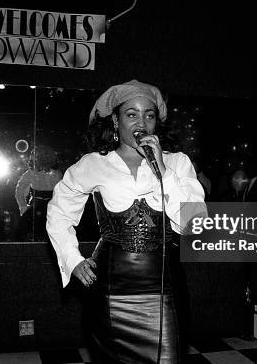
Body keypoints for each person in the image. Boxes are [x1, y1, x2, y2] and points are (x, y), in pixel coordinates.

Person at [46, 80, 206, 363]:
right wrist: (73, 259)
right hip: (110, 292)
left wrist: (164, 170)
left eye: (149, 114)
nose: (141, 121)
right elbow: (58, 211)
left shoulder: (178, 163)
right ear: (116, 120)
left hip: (164, 292)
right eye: (131, 114)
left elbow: (193, 225)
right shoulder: (92, 164)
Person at [15, 145, 63, 241]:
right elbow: (19, 190)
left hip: (52, 208)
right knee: (24, 229)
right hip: (38, 207)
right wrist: (23, 208)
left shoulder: (58, 173)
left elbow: (19, 190)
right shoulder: (32, 173)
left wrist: (24, 208)